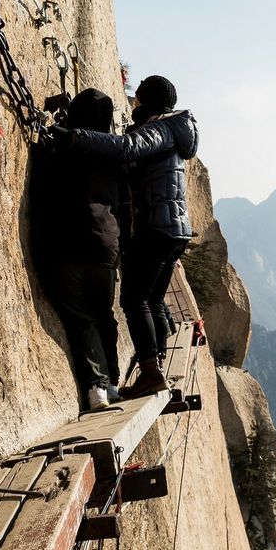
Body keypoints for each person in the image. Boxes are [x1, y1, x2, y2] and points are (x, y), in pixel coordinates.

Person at [64, 75, 197, 399]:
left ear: (147, 100)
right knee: (151, 300)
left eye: (138, 98)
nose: (134, 103)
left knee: (134, 301)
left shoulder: (160, 128)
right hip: (174, 229)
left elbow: (127, 148)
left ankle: (151, 373)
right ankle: (157, 367)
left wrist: (76, 136)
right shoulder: (173, 131)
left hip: (156, 227)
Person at [33, 88, 130, 411]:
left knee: (81, 318)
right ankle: (112, 382)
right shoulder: (113, 156)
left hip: (68, 244)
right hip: (105, 246)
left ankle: (96, 387)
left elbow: (42, 187)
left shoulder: (58, 145)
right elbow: (123, 206)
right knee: (104, 316)